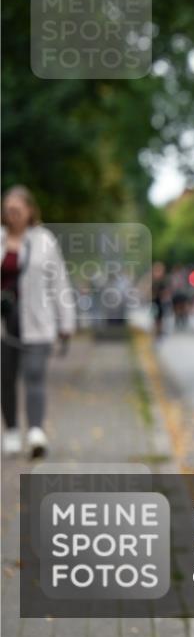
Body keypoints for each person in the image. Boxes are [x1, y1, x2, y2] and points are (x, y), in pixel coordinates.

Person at [1, 186, 75, 458]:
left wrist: (66, 323)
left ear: (30, 210)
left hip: (37, 321)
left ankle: (35, 432)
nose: (13, 214)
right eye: (8, 209)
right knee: (5, 379)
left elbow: (60, 283)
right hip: (4, 324)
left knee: (34, 375)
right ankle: (10, 430)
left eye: (18, 209)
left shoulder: (44, 240)